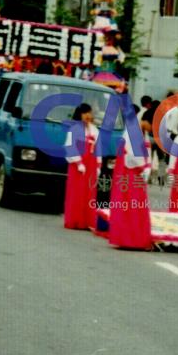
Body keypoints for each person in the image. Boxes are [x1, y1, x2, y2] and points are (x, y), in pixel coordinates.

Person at [108, 111, 153, 250]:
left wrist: (148, 167)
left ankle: (136, 237)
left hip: (136, 172)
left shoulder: (142, 133)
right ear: (146, 121)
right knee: (130, 205)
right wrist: (143, 167)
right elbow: (132, 156)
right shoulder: (132, 131)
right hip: (130, 172)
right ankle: (128, 238)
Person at [64, 104, 100, 230]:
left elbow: (98, 148)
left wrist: (98, 165)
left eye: (89, 113)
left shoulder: (95, 130)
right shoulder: (74, 129)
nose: (88, 116)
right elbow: (70, 147)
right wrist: (78, 163)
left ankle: (87, 221)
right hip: (78, 165)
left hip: (91, 164)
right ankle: (74, 220)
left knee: (89, 193)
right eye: (85, 113)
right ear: (80, 114)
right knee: (77, 193)